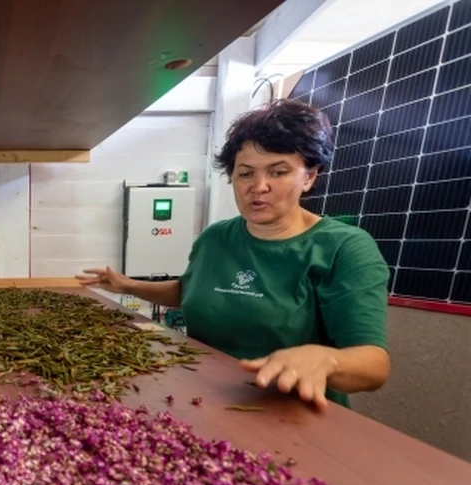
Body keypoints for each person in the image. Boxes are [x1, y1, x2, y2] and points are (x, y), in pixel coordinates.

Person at [76, 99, 390, 410]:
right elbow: (191, 292)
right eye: (245, 174)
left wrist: (327, 360)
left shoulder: (343, 248)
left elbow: (374, 365)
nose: (259, 186)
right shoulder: (216, 238)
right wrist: (127, 286)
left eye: (278, 172)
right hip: (205, 402)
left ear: (309, 176)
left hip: (294, 416)